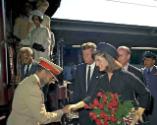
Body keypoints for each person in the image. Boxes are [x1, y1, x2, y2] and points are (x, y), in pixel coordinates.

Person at [68, 42, 150, 125]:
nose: (96, 64)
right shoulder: (102, 79)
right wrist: (75, 106)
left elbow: (145, 93)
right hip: (111, 120)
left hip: (128, 119)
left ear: (108, 59)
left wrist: (139, 113)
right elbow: (92, 97)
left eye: (98, 60)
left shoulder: (126, 76)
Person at [7, 57, 69, 125]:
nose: (51, 81)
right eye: (51, 78)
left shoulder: (29, 80)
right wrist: (63, 111)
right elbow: (43, 118)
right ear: (43, 72)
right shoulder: (33, 89)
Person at [71, 42, 100, 125]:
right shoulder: (79, 68)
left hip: (98, 111)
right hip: (83, 111)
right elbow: (76, 89)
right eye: (83, 55)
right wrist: (75, 106)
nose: (84, 57)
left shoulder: (101, 69)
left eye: (87, 54)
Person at [142, 51, 157, 125]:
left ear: (153, 61)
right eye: (144, 60)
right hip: (145, 103)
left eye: (147, 60)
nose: (145, 61)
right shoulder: (141, 72)